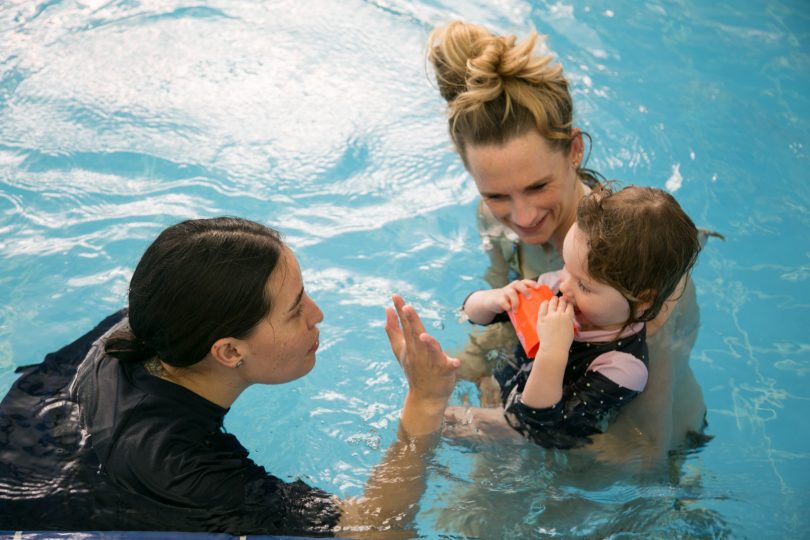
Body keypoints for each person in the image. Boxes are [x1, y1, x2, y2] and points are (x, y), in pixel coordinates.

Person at [0, 217, 458, 536]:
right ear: (229, 351)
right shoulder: (180, 466)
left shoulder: (140, 324)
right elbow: (373, 531)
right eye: (297, 310)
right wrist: (426, 400)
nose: (318, 315)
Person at [427, 20, 712, 458]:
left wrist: (504, 426)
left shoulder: (632, 273)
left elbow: (645, 447)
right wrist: (461, 373)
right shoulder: (492, 220)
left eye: (539, 186)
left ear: (574, 150)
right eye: (496, 194)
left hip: (635, 443)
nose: (521, 216)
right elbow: (499, 314)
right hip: (543, 402)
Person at [462, 185, 701, 448]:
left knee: (444, 422)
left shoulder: (622, 367)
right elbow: (471, 314)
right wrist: (494, 299)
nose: (564, 286)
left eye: (585, 286)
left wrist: (553, 352)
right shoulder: (559, 286)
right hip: (510, 385)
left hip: (538, 437)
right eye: (566, 266)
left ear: (642, 300)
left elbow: (538, 423)